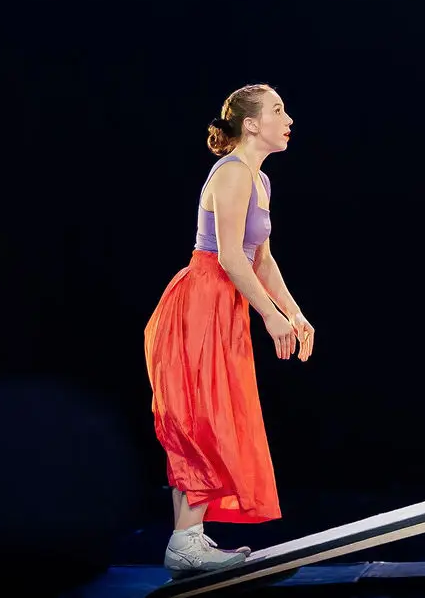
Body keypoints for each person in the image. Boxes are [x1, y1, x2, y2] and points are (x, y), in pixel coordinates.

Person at [143, 85, 317, 577]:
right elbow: (229, 257)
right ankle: (185, 540)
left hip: (225, 304)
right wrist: (270, 316)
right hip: (201, 301)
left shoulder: (260, 181)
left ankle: (187, 540)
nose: (288, 119)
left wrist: (293, 311)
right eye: (278, 110)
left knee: (214, 413)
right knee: (203, 416)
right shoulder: (235, 174)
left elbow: (262, 259)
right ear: (251, 124)